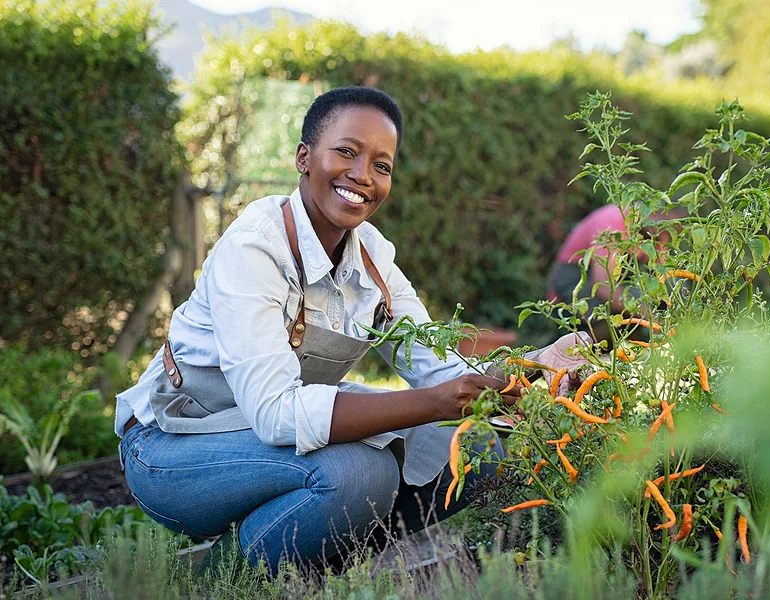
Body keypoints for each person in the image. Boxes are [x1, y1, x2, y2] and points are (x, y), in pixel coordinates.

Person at [116, 86, 584, 575]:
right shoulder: (254, 250)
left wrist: (536, 367)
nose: (363, 176)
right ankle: (215, 580)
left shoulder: (373, 257)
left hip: (265, 443)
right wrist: (438, 402)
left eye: (382, 166)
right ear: (304, 156)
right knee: (361, 473)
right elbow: (276, 414)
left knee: (482, 447)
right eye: (346, 152)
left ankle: (315, 563)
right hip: (174, 446)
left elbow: (439, 365)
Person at [546, 203, 685, 337]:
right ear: (653, 214)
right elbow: (603, 287)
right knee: (632, 304)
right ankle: (581, 348)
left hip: (609, 283)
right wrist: (648, 314)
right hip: (573, 284)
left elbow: (668, 275)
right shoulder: (612, 224)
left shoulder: (656, 234)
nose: (665, 238)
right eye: (666, 229)